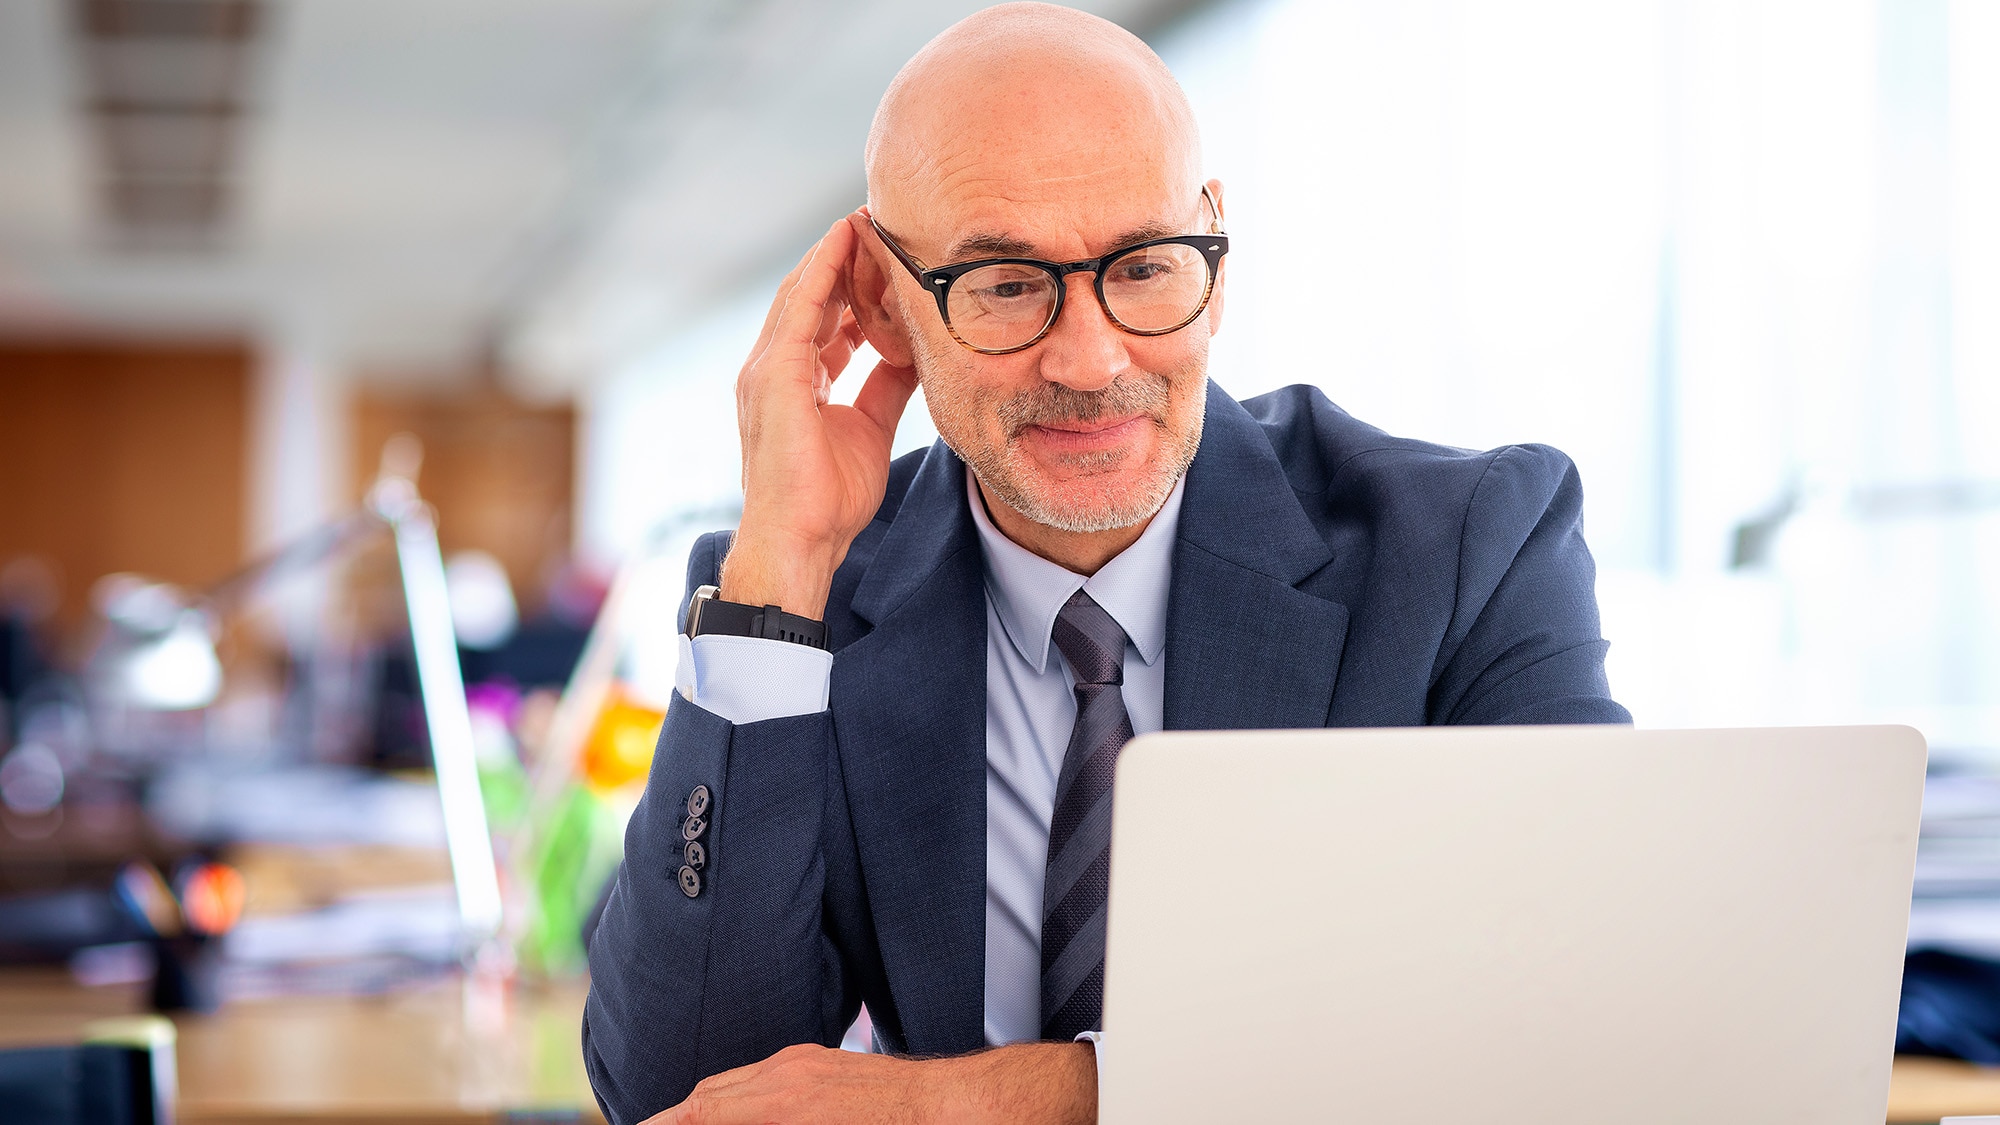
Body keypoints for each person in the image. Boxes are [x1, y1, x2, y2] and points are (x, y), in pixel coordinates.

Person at [583, 4, 1631, 1123]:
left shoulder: (1470, 549)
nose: (1088, 361)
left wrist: (1000, 1101)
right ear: (890, 303)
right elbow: (677, 1094)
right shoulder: (816, 595)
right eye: (1002, 283)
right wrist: (781, 566)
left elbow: (1579, 1011)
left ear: (1215, 258)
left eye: (1142, 267)